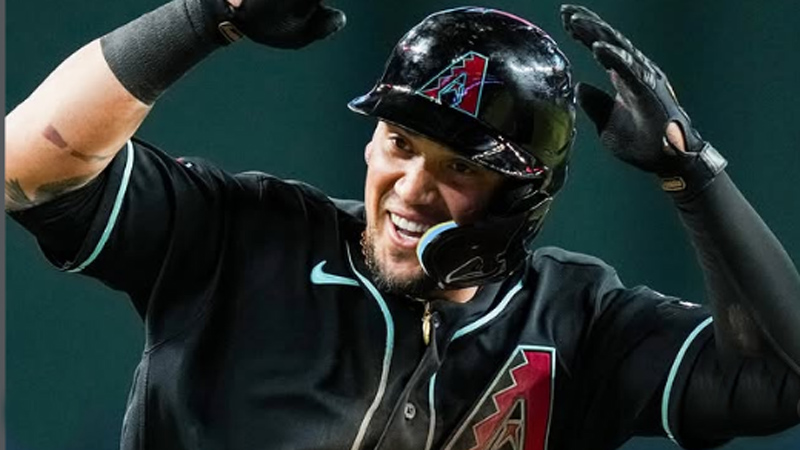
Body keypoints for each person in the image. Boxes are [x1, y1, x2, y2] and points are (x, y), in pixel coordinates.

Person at [5, 0, 800, 449]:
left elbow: (782, 377)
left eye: (461, 167)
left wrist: (695, 178)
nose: (412, 188)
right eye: (400, 143)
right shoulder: (245, 238)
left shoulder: (582, 325)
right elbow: (26, 167)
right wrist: (201, 15)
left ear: (523, 196)